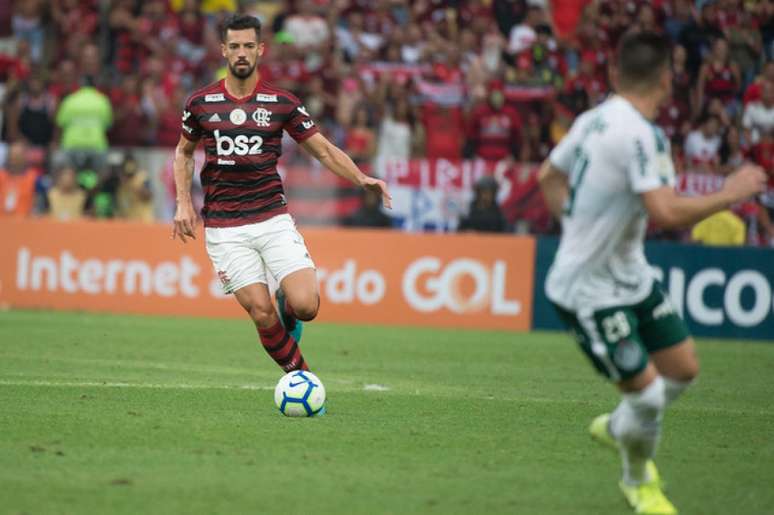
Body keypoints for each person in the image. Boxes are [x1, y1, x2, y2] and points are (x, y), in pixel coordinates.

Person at [538, 31, 766, 515]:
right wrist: (732, 191)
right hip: (588, 290)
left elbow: (548, 177)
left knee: (683, 370)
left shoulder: (592, 119)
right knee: (649, 397)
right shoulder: (642, 134)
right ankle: (637, 481)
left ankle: (620, 427)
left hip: (631, 275)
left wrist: (575, 223)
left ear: (618, 74)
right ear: (668, 79)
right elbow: (665, 212)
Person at [172, 15, 390, 379]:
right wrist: (183, 202)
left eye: (248, 46)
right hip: (225, 228)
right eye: (235, 46)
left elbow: (322, 150)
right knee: (260, 310)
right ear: (224, 50)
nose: (241, 53)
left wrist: (361, 177)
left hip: (272, 218)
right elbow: (182, 153)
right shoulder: (200, 102)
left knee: (307, 307)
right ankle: (301, 378)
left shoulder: (281, 102)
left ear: (260, 49)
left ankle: (287, 302)